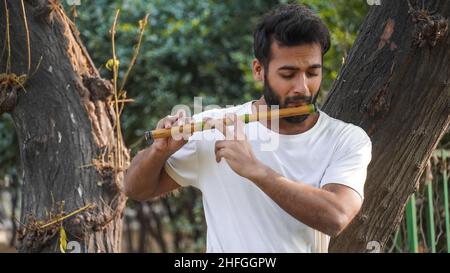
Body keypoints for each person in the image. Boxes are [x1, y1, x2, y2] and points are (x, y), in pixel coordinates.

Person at [124, 3, 372, 253]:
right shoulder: (218, 127)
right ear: (258, 70)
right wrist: (158, 152)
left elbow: (336, 216)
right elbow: (136, 189)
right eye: (288, 74)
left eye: (312, 73)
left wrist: (255, 170)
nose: (303, 88)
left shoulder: (345, 138)